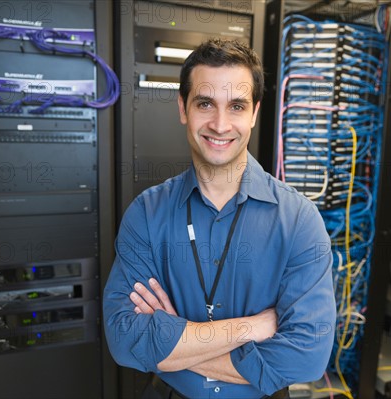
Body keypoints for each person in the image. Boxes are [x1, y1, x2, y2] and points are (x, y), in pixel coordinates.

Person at [103, 38, 335, 399]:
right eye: (205, 103)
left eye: (237, 106)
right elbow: (124, 339)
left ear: (255, 113)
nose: (220, 124)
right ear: (183, 108)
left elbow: (306, 357)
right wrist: (254, 327)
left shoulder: (300, 220)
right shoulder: (147, 214)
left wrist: (171, 342)